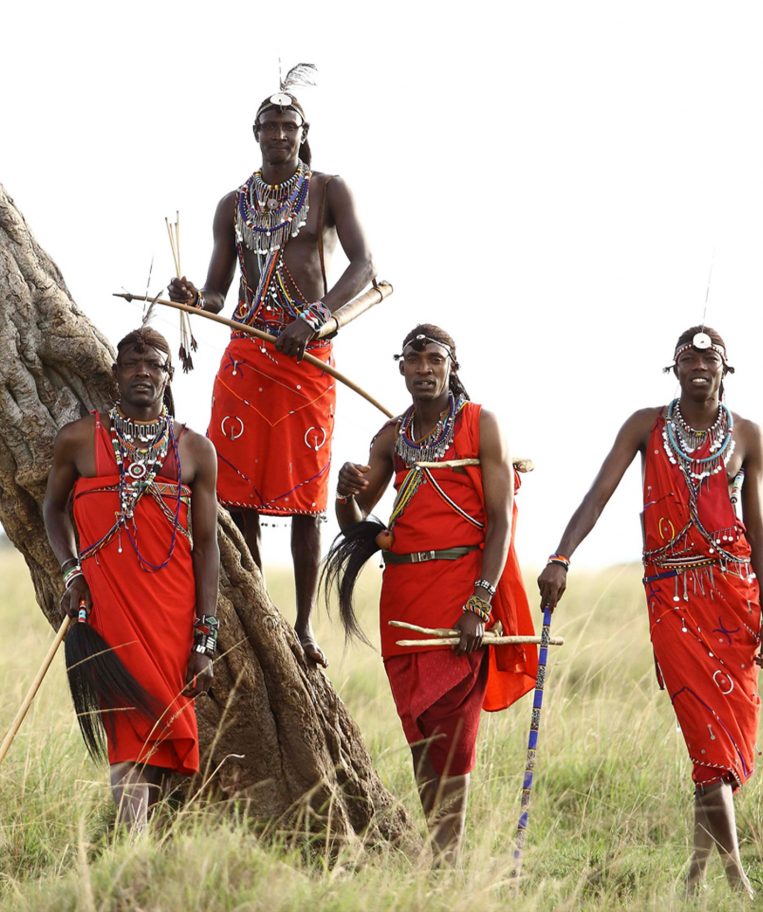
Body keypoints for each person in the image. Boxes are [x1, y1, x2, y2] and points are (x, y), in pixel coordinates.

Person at [537, 326, 763, 896]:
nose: (698, 368)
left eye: (709, 361)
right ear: (674, 368)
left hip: (734, 597)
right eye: (687, 359)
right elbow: (598, 494)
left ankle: (694, 874)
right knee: (704, 735)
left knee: (721, 741)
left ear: (726, 371)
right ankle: (737, 881)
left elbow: (757, 531)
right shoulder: (645, 426)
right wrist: (562, 555)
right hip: (672, 596)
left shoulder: (749, 436)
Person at [169, 75, 373, 667]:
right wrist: (190, 296)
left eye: (290, 126)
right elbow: (215, 293)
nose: (279, 134)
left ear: (303, 136)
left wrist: (316, 320)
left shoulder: (329, 191)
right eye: (269, 126)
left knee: (308, 496)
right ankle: (258, 614)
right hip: (246, 356)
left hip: (304, 358)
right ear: (255, 135)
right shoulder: (232, 204)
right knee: (237, 498)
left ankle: (305, 626)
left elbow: (364, 267)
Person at [324, 324, 538, 865]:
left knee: (454, 730)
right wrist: (344, 491)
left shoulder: (481, 424)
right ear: (400, 368)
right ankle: (440, 851)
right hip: (402, 601)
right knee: (418, 727)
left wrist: (480, 601)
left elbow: (499, 521)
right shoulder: (392, 437)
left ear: (451, 365)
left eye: (434, 359)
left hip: (461, 596)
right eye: (413, 359)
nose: (424, 368)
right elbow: (356, 524)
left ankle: (447, 858)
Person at [43, 327, 220, 834]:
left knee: (165, 729)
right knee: (127, 727)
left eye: (156, 364)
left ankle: (144, 848)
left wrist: (204, 636)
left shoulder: (195, 451)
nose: (144, 371)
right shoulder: (78, 439)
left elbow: (206, 548)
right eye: (133, 363)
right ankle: (133, 852)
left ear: (168, 376)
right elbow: (52, 510)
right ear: (116, 373)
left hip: (173, 615)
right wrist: (71, 570)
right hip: (107, 610)